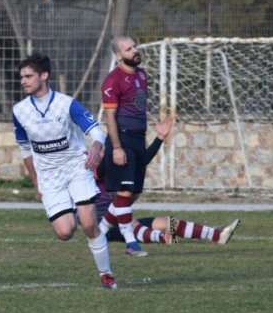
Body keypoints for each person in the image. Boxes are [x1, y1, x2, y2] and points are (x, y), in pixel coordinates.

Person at [12, 52, 118, 290]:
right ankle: (71, 207)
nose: (24, 81)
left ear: (44, 76)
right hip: (49, 177)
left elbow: (96, 130)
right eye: (21, 77)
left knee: (89, 225)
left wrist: (97, 147)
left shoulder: (66, 103)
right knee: (64, 232)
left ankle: (106, 274)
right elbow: (25, 148)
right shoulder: (19, 111)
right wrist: (35, 181)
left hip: (75, 168)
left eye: (28, 76)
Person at [96, 115, 241, 247]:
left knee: (168, 223)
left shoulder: (119, 163)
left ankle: (218, 235)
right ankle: (160, 238)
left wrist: (160, 138)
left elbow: (142, 161)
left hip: (123, 216)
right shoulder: (92, 166)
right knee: (131, 224)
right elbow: (98, 173)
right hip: (105, 224)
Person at [100, 35, 152, 257]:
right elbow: (110, 117)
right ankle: (131, 242)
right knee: (124, 191)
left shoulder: (141, 75)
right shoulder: (113, 80)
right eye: (129, 49)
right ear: (119, 56)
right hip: (122, 139)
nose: (135, 50)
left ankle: (100, 231)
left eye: (135, 46)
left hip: (139, 138)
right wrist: (117, 147)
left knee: (132, 194)